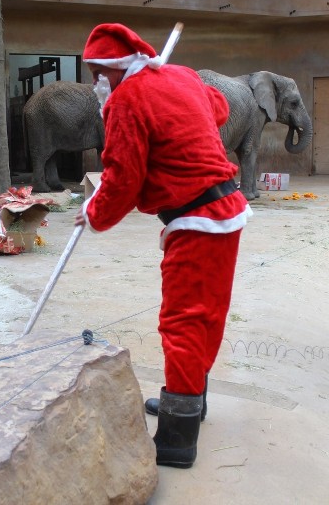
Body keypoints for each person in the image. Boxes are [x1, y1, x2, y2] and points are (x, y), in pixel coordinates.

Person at [74, 23, 252, 468]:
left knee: (183, 323)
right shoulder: (182, 76)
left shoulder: (127, 101)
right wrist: (175, 95)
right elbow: (220, 107)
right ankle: (189, 399)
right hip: (227, 211)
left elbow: (123, 178)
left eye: (97, 74)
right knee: (206, 314)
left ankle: (175, 441)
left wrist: (94, 214)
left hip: (196, 221)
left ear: (112, 70)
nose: (96, 84)